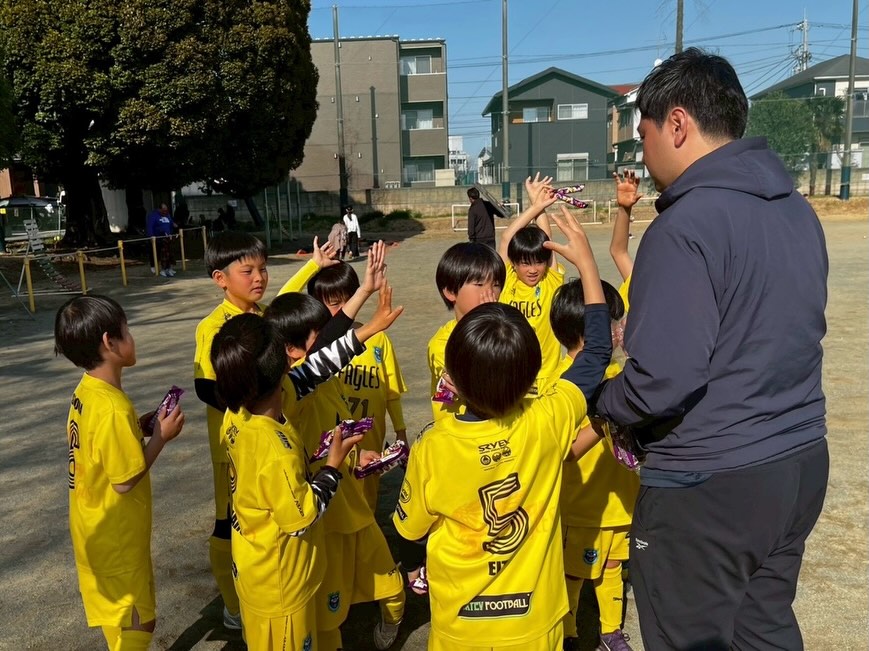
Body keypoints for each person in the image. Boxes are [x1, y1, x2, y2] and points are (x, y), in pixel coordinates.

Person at [593, 48, 829, 650]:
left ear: (677, 124)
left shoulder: (686, 224)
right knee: (763, 628)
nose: (642, 158)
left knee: (690, 636)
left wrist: (605, 402)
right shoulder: (795, 210)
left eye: (643, 136)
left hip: (711, 483)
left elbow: (662, 377)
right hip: (798, 461)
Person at [393, 205, 612, 651]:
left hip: (461, 624)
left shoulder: (433, 448)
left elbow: (408, 530)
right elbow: (596, 353)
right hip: (536, 623)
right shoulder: (547, 419)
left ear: (451, 376)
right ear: (533, 374)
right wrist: (587, 264)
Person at [193, 231, 339, 630]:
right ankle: (233, 603)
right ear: (221, 279)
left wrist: (313, 266)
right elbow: (206, 387)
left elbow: (279, 306)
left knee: (273, 513)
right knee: (229, 522)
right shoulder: (213, 328)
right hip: (237, 448)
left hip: (272, 434)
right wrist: (256, 405)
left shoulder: (258, 316)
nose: (258, 277)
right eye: (247, 271)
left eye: (262, 268)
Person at [267, 256, 406, 651]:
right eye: (318, 332)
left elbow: (326, 352)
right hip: (322, 507)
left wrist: (366, 300)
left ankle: (389, 614)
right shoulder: (288, 394)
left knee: (386, 579)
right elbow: (324, 352)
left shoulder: (310, 375)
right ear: (292, 351)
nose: (328, 334)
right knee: (330, 609)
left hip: (348, 496)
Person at [211, 313, 364, 651]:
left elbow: (312, 372)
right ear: (281, 371)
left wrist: (365, 331)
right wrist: (333, 467)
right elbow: (301, 517)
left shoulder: (236, 413)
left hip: (255, 568)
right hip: (281, 584)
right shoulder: (274, 450)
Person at [54, 295, 186, 650]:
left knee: (118, 618)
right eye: (127, 331)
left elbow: (100, 449)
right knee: (141, 620)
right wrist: (161, 437)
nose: (132, 337)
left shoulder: (87, 391)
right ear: (109, 342)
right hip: (117, 537)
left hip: (91, 526)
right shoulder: (112, 407)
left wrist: (137, 430)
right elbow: (125, 480)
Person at [549, 273, 638, 651]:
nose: (618, 329)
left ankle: (610, 632)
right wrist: (603, 424)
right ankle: (568, 633)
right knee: (574, 573)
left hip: (620, 500)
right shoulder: (556, 386)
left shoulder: (621, 376)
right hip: (579, 505)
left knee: (614, 566)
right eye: (612, 322)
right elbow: (560, 453)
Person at [308, 260, 409, 510]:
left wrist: (401, 432)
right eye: (332, 304)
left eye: (347, 300)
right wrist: (311, 266)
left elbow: (391, 392)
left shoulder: (378, 339)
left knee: (367, 508)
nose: (344, 310)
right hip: (332, 447)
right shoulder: (314, 351)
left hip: (371, 442)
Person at [498, 174, 565, 391]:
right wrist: (535, 206)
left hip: (548, 380)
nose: (533, 270)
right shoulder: (506, 280)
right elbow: (507, 236)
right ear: (514, 263)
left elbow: (546, 239)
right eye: (525, 264)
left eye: (538, 262)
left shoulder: (550, 281)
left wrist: (541, 205)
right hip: (513, 380)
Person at [427, 241, 505, 422]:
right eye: (479, 284)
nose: (490, 293)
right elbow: (482, 389)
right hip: (456, 437)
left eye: (496, 284)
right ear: (450, 291)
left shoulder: (505, 331)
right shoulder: (443, 345)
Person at [146, 203, 177, 276]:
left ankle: (168, 267)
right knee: (157, 253)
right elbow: (150, 226)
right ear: (160, 209)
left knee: (168, 254)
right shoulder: (153, 215)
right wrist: (151, 236)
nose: (165, 212)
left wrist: (173, 224)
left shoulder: (167, 215)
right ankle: (155, 267)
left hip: (167, 237)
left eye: (166, 210)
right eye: (164, 210)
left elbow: (170, 222)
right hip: (158, 238)